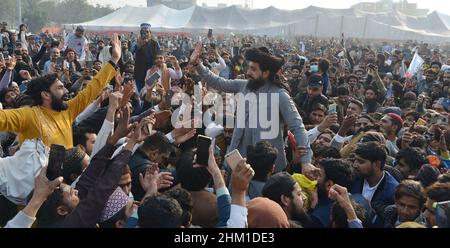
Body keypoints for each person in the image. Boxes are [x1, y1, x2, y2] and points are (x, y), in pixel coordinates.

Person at [190, 44, 315, 174]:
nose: (248, 72)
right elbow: (218, 82)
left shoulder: (280, 95)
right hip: (237, 162)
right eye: (248, 67)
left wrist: (306, 162)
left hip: (267, 169)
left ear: (266, 73)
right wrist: (197, 64)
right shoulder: (243, 86)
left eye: (253, 69)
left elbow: (298, 128)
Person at [0, 34, 121, 148]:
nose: (66, 91)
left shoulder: (67, 111)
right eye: (60, 88)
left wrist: (114, 59)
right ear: (46, 95)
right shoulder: (28, 115)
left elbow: (93, 88)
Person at [351, 142, 399, 227]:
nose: (355, 165)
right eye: (355, 160)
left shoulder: (393, 191)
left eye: (361, 162)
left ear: (377, 164)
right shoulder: (353, 178)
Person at [310, 158, 354, 228]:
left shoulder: (318, 217)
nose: (315, 179)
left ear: (329, 185)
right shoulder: (358, 201)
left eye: (319, 175)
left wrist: (312, 208)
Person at [133, 23, 160, 91]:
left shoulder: (155, 43)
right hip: (139, 73)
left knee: (150, 92)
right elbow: (133, 53)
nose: (145, 33)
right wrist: (139, 45)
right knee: (140, 93)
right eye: (143, 32)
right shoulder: (136, 43)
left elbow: (159, 57)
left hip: (152, 72)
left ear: (150, 33)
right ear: (140, 33)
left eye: (147, 31)